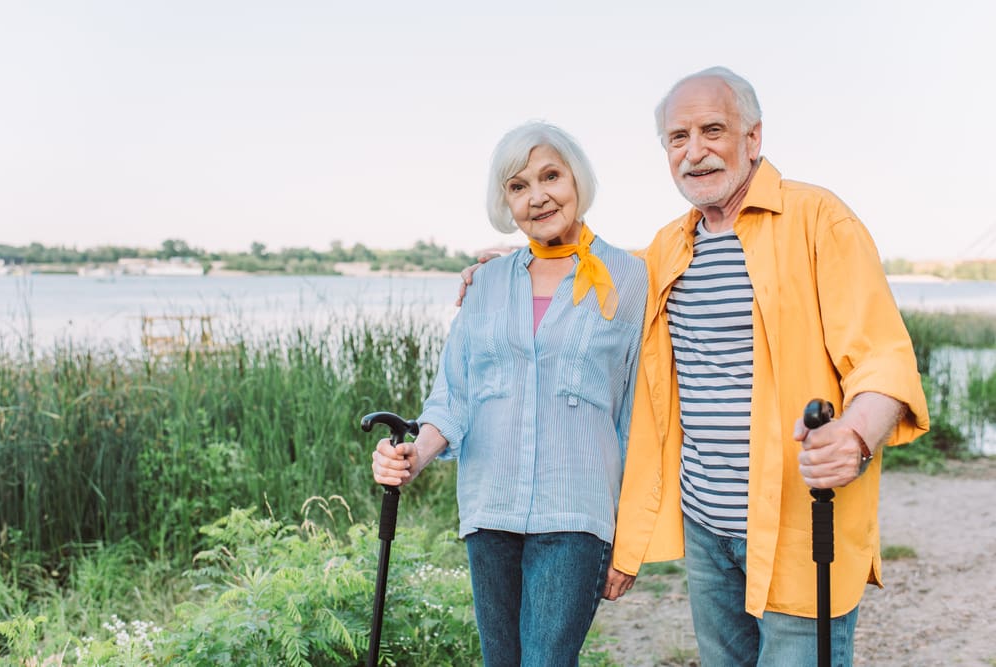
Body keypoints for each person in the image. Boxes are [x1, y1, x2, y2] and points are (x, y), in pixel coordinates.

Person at [610, 66, 930, 665]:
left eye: (713, 130)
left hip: (799, 524)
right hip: (705, 527)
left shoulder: (819, 219)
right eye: (678, 138)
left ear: (753, 139)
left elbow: (883, 356)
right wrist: (521, 263)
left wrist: (855, 434)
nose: (695, 152)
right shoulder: (669, 246)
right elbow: (599, 273)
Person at [371, 120, 647, 667]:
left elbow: (638, 416)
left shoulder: (632, 278)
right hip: (489, 509)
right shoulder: (488, 283)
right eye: (518, 186)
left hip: (576, 515)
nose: (537, 196)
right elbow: (453, 395)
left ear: (577, 180)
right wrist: (413, 455)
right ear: (507, 201)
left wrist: (633, 539)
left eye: (551, 176)